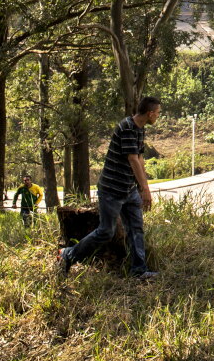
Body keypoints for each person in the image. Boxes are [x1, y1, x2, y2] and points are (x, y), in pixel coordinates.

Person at [56, 96, 162, 279]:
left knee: (136, 229)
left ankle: (139, 270)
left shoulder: (140, 129)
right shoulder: (128, 127)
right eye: (158, 113)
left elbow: (140, 157)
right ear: (150, 113)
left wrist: (140, 186)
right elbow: (133, 159)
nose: (158, 116)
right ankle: (68, 255)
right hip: (112, 190)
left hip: (129, 190)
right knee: (106, 231)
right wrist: (145, 190)